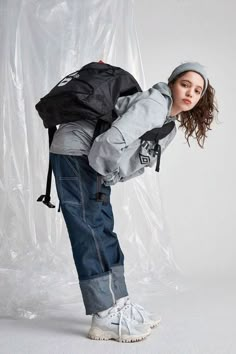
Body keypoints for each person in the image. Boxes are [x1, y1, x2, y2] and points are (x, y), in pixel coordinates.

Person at [49, 62, 217, 342]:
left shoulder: (168, 124)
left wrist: (109, 177)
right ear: (172, 83)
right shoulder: (154, 104)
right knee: (89, 229)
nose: (190, 93)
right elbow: (111, 141)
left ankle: (119, 303)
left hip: (91, 158)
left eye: (197, 90)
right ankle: (103, 314)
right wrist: (104, 173)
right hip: (76, 151)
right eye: (185, 84)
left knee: (103, 228)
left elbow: (136, 161)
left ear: (202, 98)